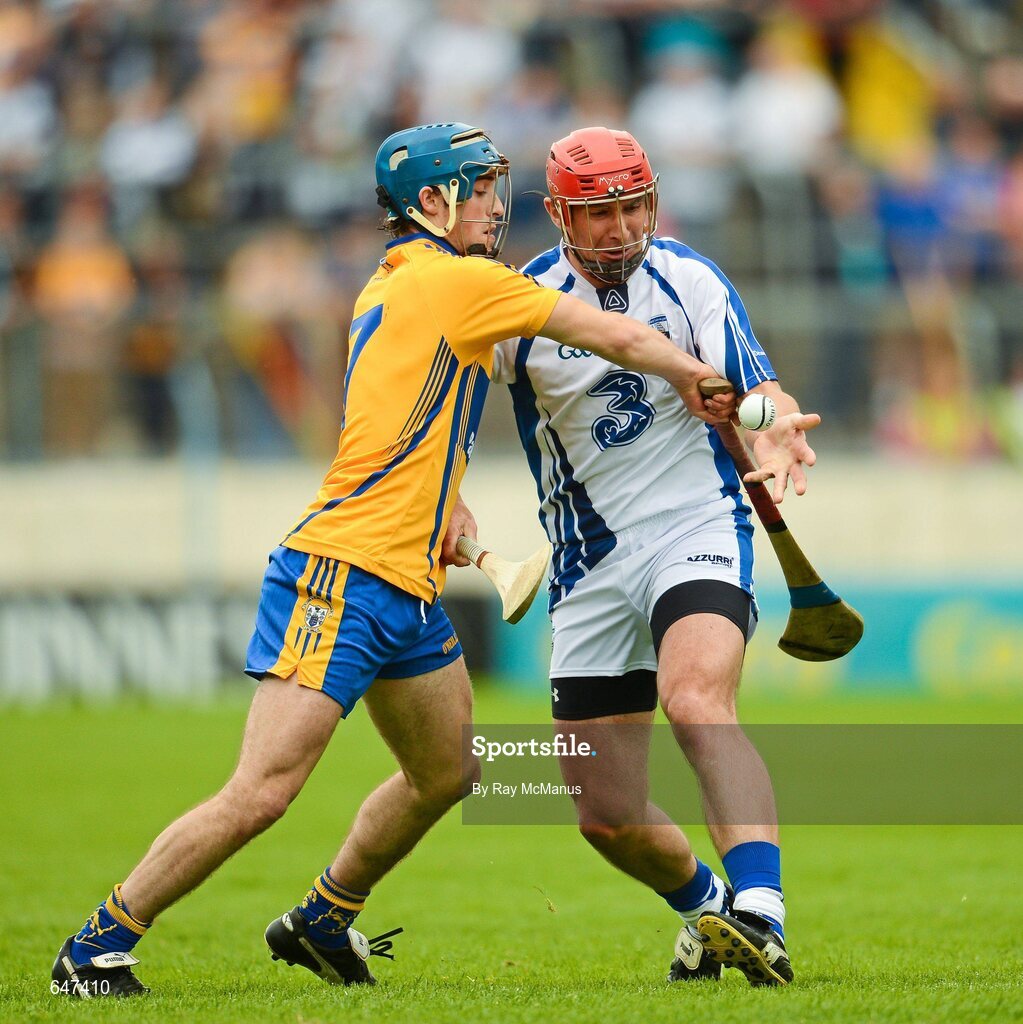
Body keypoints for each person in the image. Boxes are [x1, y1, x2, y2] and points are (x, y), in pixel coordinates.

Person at [50, 122, 732, 998]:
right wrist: (702, 382)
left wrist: (446, 505)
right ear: (433, 202)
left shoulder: (399, 285)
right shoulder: (456, 281)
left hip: (406, 582)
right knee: (262, 792)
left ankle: (324, 918)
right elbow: (620, 338)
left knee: (449, 772)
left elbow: (404, 417)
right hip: (341, 570)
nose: (495, 207)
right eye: (480, 191)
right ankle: (96, 946)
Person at [485, 127, 821, 987]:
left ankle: (762, 915)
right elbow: (446, 402)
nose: (621, 226)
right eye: (598, 213)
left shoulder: (689, 277)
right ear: (559, 213)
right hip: (586, 562)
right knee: (606, 817)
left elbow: (758, 384)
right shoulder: (518, 304)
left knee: (696, 697)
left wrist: (776, 418)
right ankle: (711, 909)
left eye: (634, 204)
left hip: (696, 523)